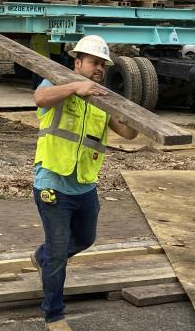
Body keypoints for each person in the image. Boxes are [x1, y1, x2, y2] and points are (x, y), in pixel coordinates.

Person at [29, 34, 137, 330]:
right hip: (53, 181)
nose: (99, 68)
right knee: (59, 247)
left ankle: (43, 257)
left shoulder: (102, 99)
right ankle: (54, 315)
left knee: (85, 239)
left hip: (85, 184)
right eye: (93, 62)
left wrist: (133, 112)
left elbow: (128, 134)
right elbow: (39, 99)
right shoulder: (55, 83)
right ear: (78, 63)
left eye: (103, 64)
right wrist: (75, 88)